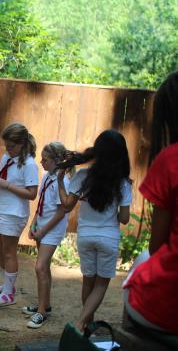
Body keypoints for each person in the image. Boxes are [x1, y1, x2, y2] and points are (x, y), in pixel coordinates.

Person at [57, 129, 132, 332]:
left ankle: (87, 324)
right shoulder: (123, 183)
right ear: (121, 155)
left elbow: (66, 205)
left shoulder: (82, 175)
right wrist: (112, 217)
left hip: (85, 236)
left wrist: (59, 180)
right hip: (108, 237)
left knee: (88, 282)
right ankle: (81, 323)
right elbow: (124, 218)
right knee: (100, 285)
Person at [122, 71, 178, 336]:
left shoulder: (170, 159)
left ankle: (129, 339)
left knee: (140, 265)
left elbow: (157, 246)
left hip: (167, 309)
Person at [0, 123, 39, 307]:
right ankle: (7, 285)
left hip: (14, 212)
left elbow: (32, 194)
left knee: (9, 253)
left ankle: (8, 294)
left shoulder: (30, 164)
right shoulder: (7, 157)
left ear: (23, 143)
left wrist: (6, 184)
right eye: (6, 146)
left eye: (12, 146)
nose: (8, 150)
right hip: (1, 207)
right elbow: (5, 179)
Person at [23, 142, 73, 328]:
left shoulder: (64, 182)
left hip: (53, 228)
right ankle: (45, 304)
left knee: (40, 267)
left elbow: (61, 212)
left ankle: (42, 313)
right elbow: (42, 202)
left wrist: (44, 230)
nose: (41, 162)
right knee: (44, 268)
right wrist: (34, 223)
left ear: (57, 161)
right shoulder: (46, 177)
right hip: (42, 225)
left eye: (45, 159)